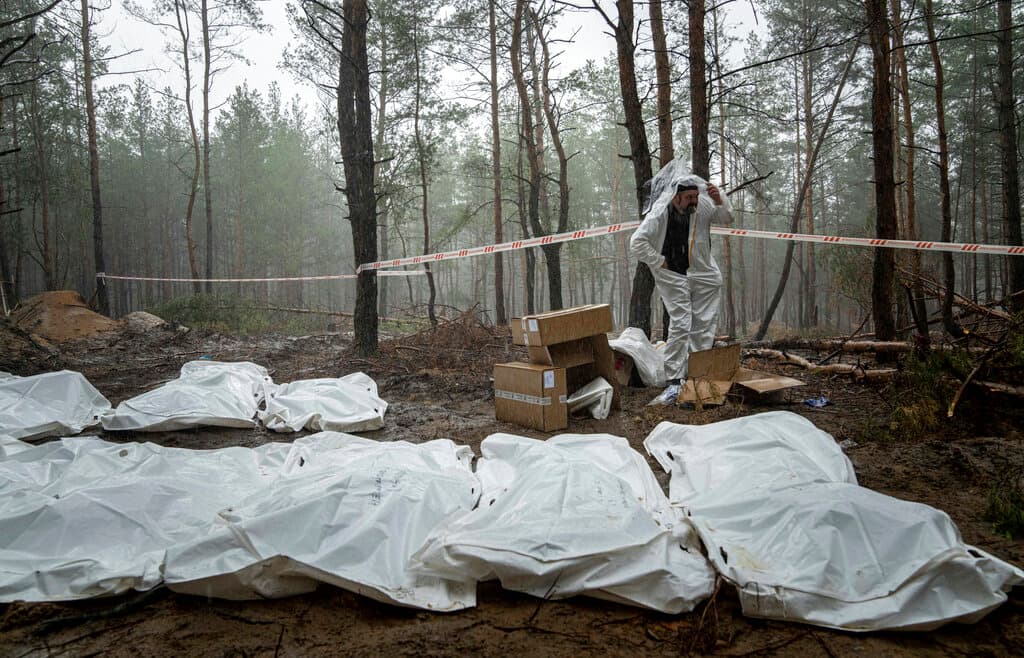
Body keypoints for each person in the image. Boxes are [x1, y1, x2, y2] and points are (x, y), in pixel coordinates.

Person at [629, 166, 732, 406]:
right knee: (681, 322)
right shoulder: (659, 214)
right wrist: (659, 261)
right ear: (676, 196)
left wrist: (720, 201)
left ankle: (695, 377)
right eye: (688, 198)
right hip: (671, 273)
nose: (693, 201)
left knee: (703, 325)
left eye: (695, 196)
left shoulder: (703, 206)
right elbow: (637, 243)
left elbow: (727, 218)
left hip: (701, 272)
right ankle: (674, 381)